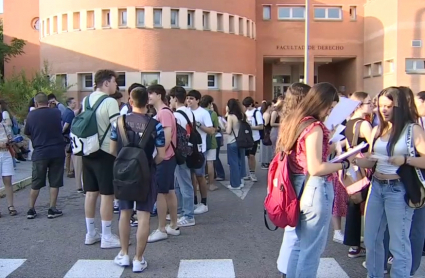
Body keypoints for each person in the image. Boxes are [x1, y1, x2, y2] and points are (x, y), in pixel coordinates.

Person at [355, 87, 425, 278]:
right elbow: (373, 158)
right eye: (380, 106)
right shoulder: (378, 128)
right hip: (377, 186)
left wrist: (406, 160)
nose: (383, 110)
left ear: (400, 106)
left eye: (388, 106)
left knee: (399, 243)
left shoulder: (413, 129)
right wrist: (356, 160)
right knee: (371, 239)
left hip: (399, 189)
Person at [278, 83, 343, 278]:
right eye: (330, 107)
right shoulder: (314, 126)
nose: (330, 112)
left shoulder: (297, 122)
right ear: (321, 103)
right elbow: (316, 168)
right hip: (315, 188)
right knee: (311, 251)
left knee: (299, 245)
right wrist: (344, 164)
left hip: (299, 186)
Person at [111, 86, 165, 273]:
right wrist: (149, 164)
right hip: (145, 172)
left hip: (123, 172)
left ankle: (124, 253)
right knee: (143, 216)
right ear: (147, 102)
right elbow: (161, 154)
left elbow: (112, 150)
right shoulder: (155, 124)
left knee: (124, 213)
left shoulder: (118, 122)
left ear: (130, 101)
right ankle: (138, 259)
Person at [82, 70, 121, 249]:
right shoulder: (110, 101)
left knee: (91, 193)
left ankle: (90, 233)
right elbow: (117, 128)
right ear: (106, 83)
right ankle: (106, 235)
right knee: (107, 194)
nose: (116, 85)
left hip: (87, 150)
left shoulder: (86, 100)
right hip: (105, 152)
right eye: (114, 82)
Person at [24, 92, 65, 219]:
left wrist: (36, 140)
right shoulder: (56, 112)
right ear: (48, 102)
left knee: (36, 182)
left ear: (36, 103)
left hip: (40, 152)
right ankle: (52, 208)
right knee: (55, 181)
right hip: (57, 150)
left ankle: (31, 209)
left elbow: (27, 133)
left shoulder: (31, 115)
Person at [146, 84, 179, 243]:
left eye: (151, 93)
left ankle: (161, 228)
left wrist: (157, 157)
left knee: (160, 193)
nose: (149, 96)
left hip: (164, 158)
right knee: (169, 191)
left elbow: (166, 138)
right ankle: (173, 225)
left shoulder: (164, 113)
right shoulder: (164, 112)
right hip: (168, 158)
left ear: (159, 95)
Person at [169, 86, 196, 227]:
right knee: (181, 182)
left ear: (174, 98)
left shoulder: (176, 115)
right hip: (188, 150)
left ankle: (188, 215)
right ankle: (181, 212)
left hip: (179, 152)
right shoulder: (189, 112)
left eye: (170, 99)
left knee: (183, 184)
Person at [242, 97, 264, 182]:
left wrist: (250, 127)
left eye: (247, 106)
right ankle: (249, 172)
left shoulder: (256, 113)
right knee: (247, 156)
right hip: (247, 137)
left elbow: (261, 126)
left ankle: (253, 173)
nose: (246, 108)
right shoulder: (245, 112)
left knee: (252, 155)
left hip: (254, 137)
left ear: (251, 104)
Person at [62, 97, 77, 178]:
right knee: (69, 154)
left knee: (68, 154)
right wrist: (63, 131)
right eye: (73, 103)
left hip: (65, 135)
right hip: (68, 135)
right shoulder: (70, 113)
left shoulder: (65, 111)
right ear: (69, 103)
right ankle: (70, 171)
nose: (75, 104)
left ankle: (69, 170)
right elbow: (66, 124)